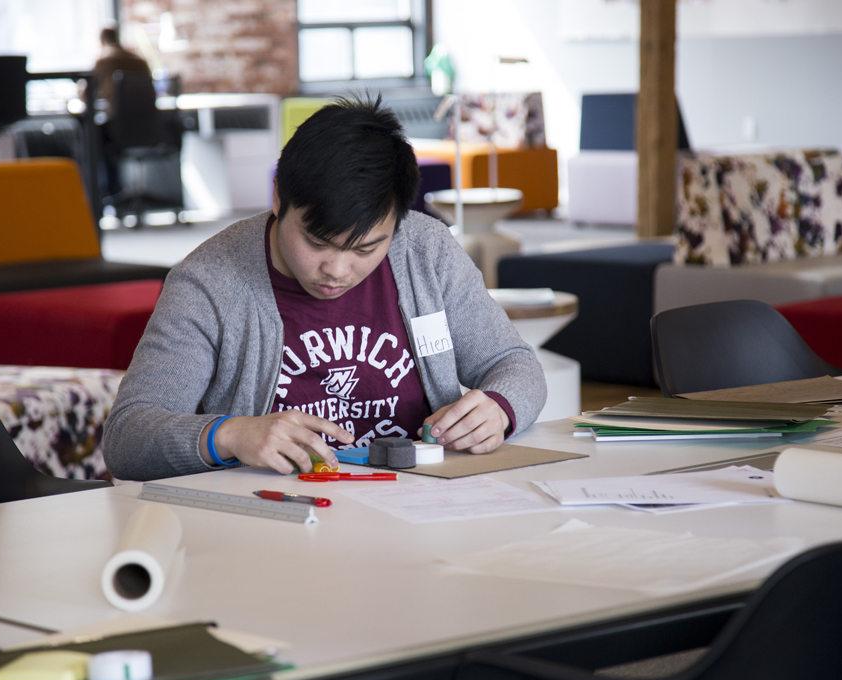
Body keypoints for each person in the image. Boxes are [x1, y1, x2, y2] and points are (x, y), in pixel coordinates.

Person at [103, 96, 547, 482]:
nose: (337, 269)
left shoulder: (425, 251)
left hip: (423, 500)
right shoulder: (209, 282)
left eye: (367, 248)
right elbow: (128, 437)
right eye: (317, 242)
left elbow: (512, 363)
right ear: (278, 198)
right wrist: (232, 434)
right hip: (278, 517)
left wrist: (499, 407)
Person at [92, 26, 151, 114]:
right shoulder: (140, 61)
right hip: (146, 118)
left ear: (101, 42)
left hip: (116, 120)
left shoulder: (103, 62)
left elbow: (87, 94)